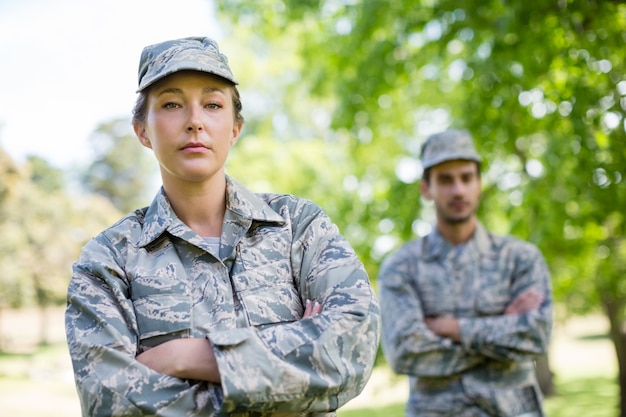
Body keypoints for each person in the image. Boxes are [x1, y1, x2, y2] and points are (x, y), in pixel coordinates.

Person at [65, 36, 381, 417]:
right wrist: (293, 370)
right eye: (171, 104)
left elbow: (354, 344)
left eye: (213, 105)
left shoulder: (298, 226)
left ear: (235, 128)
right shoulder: (108, 261)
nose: (195, 121)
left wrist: (187, 357)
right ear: (142, 131)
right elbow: (112, 403)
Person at [378, 129, 553, 417]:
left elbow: (536, 337)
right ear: (426, 189)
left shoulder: (520, 258)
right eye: (445, 180)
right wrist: (502, 330)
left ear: (479, 183)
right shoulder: (402, 266)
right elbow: (404, 352)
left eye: (466, 177)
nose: (458, 190)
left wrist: (454, 329)